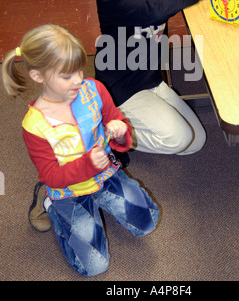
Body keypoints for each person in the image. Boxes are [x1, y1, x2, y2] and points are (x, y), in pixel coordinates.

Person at [1, 24, 159, 277]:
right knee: (93, 267)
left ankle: (100, 201)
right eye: (66, 76)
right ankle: (52, 206)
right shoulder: (34, 125)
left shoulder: (94, 89)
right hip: (68, 190)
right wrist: (87, 165)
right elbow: (50, 175)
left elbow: (116, 122)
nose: (77, 80)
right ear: (38, 76)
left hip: (106, 175)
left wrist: (120, 131)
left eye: (79, 69)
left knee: (148, 221)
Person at [94, 0, 230, 156]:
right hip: (121, 87)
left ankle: (130, 123)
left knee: (194, 141)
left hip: (150, 78)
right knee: (178, 139)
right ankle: (105, 133)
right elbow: (152, 9)